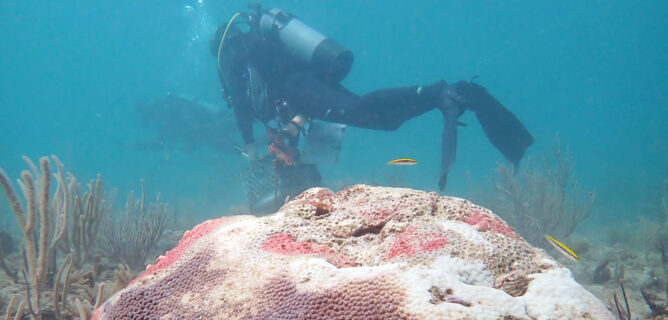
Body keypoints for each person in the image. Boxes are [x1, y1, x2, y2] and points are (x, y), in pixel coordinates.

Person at [210, 6, 534, 191]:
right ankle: (444, 97)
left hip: (303, 87)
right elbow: (289, 93)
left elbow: (240, 99)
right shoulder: (260, 49)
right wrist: (295, 124)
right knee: (383, 120)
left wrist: (250, 148)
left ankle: (439, 92)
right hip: (307, 86)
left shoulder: (230, 54)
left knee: (361, 109)